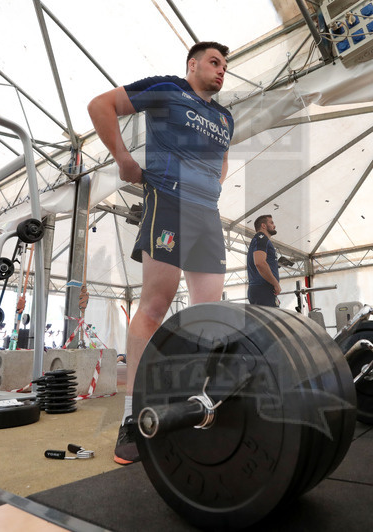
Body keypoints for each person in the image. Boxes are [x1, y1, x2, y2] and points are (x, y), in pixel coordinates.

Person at [87, 41, 233, 465]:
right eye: (214, 62)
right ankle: (131, 419)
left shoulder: (224, 116)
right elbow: (101, 105)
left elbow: (222, 160)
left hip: (207, 215)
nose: (221, 70)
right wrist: (122, 158)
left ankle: (195, 404)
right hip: (167, 200)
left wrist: (214, 183)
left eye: (225, 65)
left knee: (210, 314)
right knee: (154, 307)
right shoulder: (167, 88)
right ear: (192, 65)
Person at [247, 214, 281, 306]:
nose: (274, 225)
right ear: (263, 225)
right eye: (271, 222)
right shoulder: (261, 238)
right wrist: (276, 283)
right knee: (268, 320)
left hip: (263, 289)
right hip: (262, 289)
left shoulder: (262, 240)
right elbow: (260, 263)